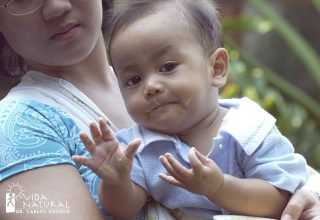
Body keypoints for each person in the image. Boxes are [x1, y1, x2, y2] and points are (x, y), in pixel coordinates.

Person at [0, 0, 319, 220]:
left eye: (167, 67)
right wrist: (114, 181)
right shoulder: (16, 127)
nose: (56, 6)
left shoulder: (213, 106)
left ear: (216, 68)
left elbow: (289, 176)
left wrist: (307, 195)